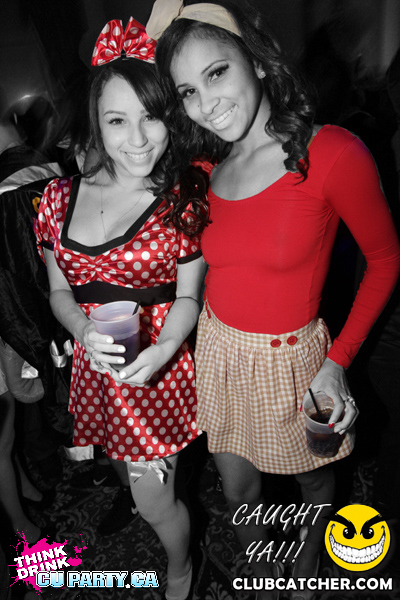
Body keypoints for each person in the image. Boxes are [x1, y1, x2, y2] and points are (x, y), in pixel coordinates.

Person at [151, 1, 400, 598]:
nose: (206, 103)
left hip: (295, 364)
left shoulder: (331, 152)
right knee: (239, 491)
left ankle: (308, 562)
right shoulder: (206, 167)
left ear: (257, 61)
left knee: (314, 485)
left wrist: (337, 363)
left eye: (216, 72)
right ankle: (262, 567)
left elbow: (386, 261)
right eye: (188, 91)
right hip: (220, 354)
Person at [35, 17, 209, 600]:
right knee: (118, 461)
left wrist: (163, 350)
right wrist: (82, 329)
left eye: (151, 116)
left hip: (157, 371)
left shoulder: (182, 199)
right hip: (97, 363)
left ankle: (180, 568)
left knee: (155, 498)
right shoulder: (56, 199)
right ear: (96, 122)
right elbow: (60, 291)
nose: (138, 138)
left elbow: (189, 296)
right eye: (117, 120)